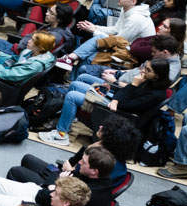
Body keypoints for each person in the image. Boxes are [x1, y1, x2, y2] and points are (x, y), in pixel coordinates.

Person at [39, 56, 170, 149]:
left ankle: (61, 134)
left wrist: (132, 86)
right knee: (75, 84)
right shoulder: (148, 81)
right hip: (115, 102)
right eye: (144, 68)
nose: (142, 71)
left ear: (158, 75)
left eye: (148, 70)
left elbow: (127, 105)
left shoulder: (155, 93)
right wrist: (117, 98)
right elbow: (122, 96)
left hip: (120, 114)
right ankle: (66, 119)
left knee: (72, 96)